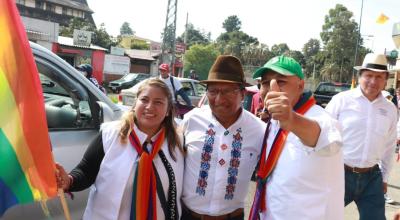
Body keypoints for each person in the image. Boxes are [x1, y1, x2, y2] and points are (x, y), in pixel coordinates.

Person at [55, 78, 185, 220]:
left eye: (158, 102)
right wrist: (68, 180)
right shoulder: (110, 135)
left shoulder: (178, 143)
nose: (149, 107)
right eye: (144, 100)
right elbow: (86, 171)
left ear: (168, 110)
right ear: (135, 104)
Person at [249, 55, 344, 220]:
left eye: (281, 81)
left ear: (300, 86)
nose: (272, 88)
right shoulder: (273, 120)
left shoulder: (320, 118)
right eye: (265, 83)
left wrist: (291, 119)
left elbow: (329, 144)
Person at [181, 55, 266, 219]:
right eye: (213, 91)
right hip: (188, 216)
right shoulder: (191, 120)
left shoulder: (259, 130)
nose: (219, 99)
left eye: (227, 91)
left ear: (243, 94)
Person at [326, 53, 397, 220]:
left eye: (379, 77)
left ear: (385, 80)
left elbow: (389, 145)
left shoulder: (390, 109)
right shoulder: (340, 100)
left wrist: (385, 178)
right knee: (322, 215)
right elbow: (322, 134)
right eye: (369, 75)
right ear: (359, 77)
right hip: (339, 173)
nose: (373, 81)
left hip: (372, 178)